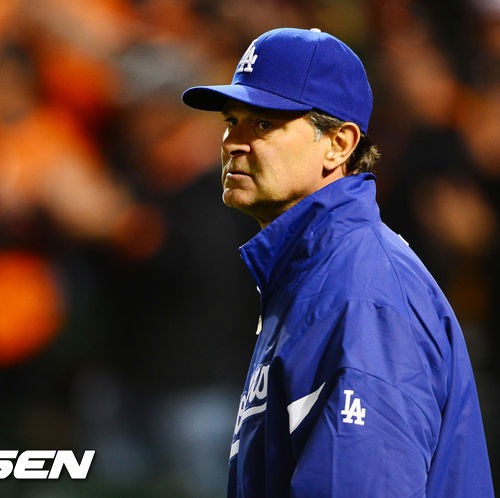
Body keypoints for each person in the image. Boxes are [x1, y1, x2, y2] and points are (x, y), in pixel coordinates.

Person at [182, 28, 494, 497]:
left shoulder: (360, 293)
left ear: (339, 144)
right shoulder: (313, 273)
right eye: (232, 120)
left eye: (263, 123)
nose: (233, 143)